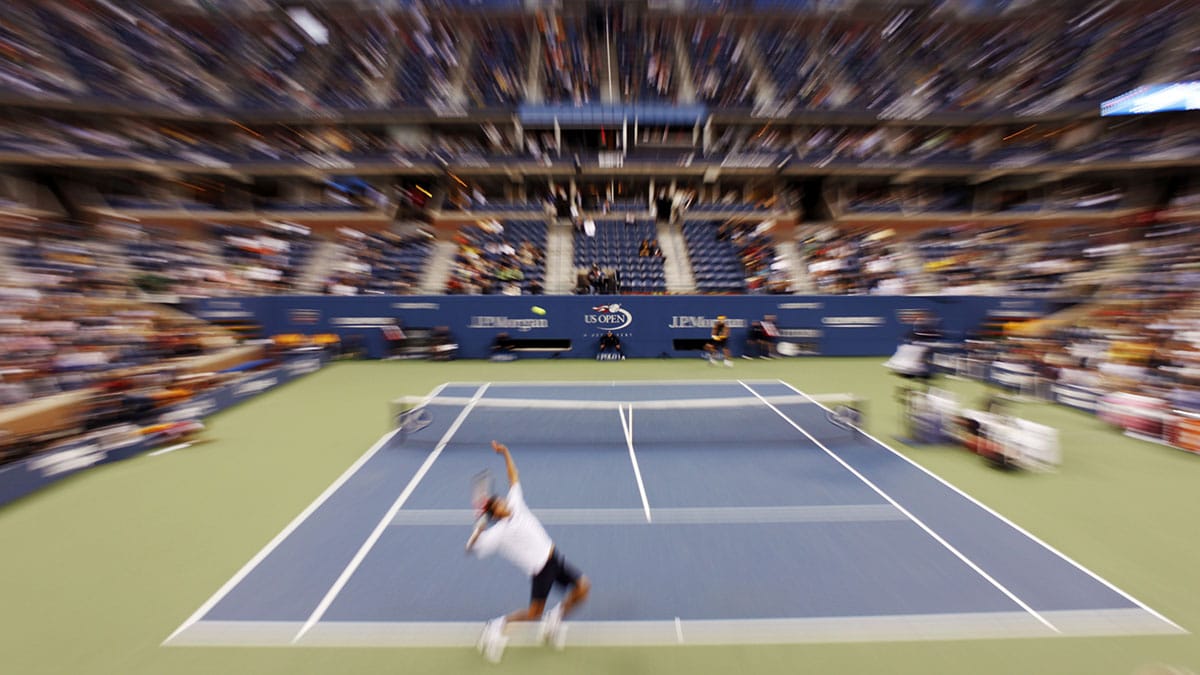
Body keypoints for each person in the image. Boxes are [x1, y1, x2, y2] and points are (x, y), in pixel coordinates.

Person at [468, 441, 591, 662]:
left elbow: (513, 477)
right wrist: (477, 533)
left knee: (583, 588)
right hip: (540, 572)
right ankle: (496, 626)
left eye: (502, 500)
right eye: (499, 504)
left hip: (554, 558)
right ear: (496, 513)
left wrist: (505, 453)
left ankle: (555, 617)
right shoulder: (498, 534)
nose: (504, 502)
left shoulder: (517, 504)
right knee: (534, 614)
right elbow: (472, 548)